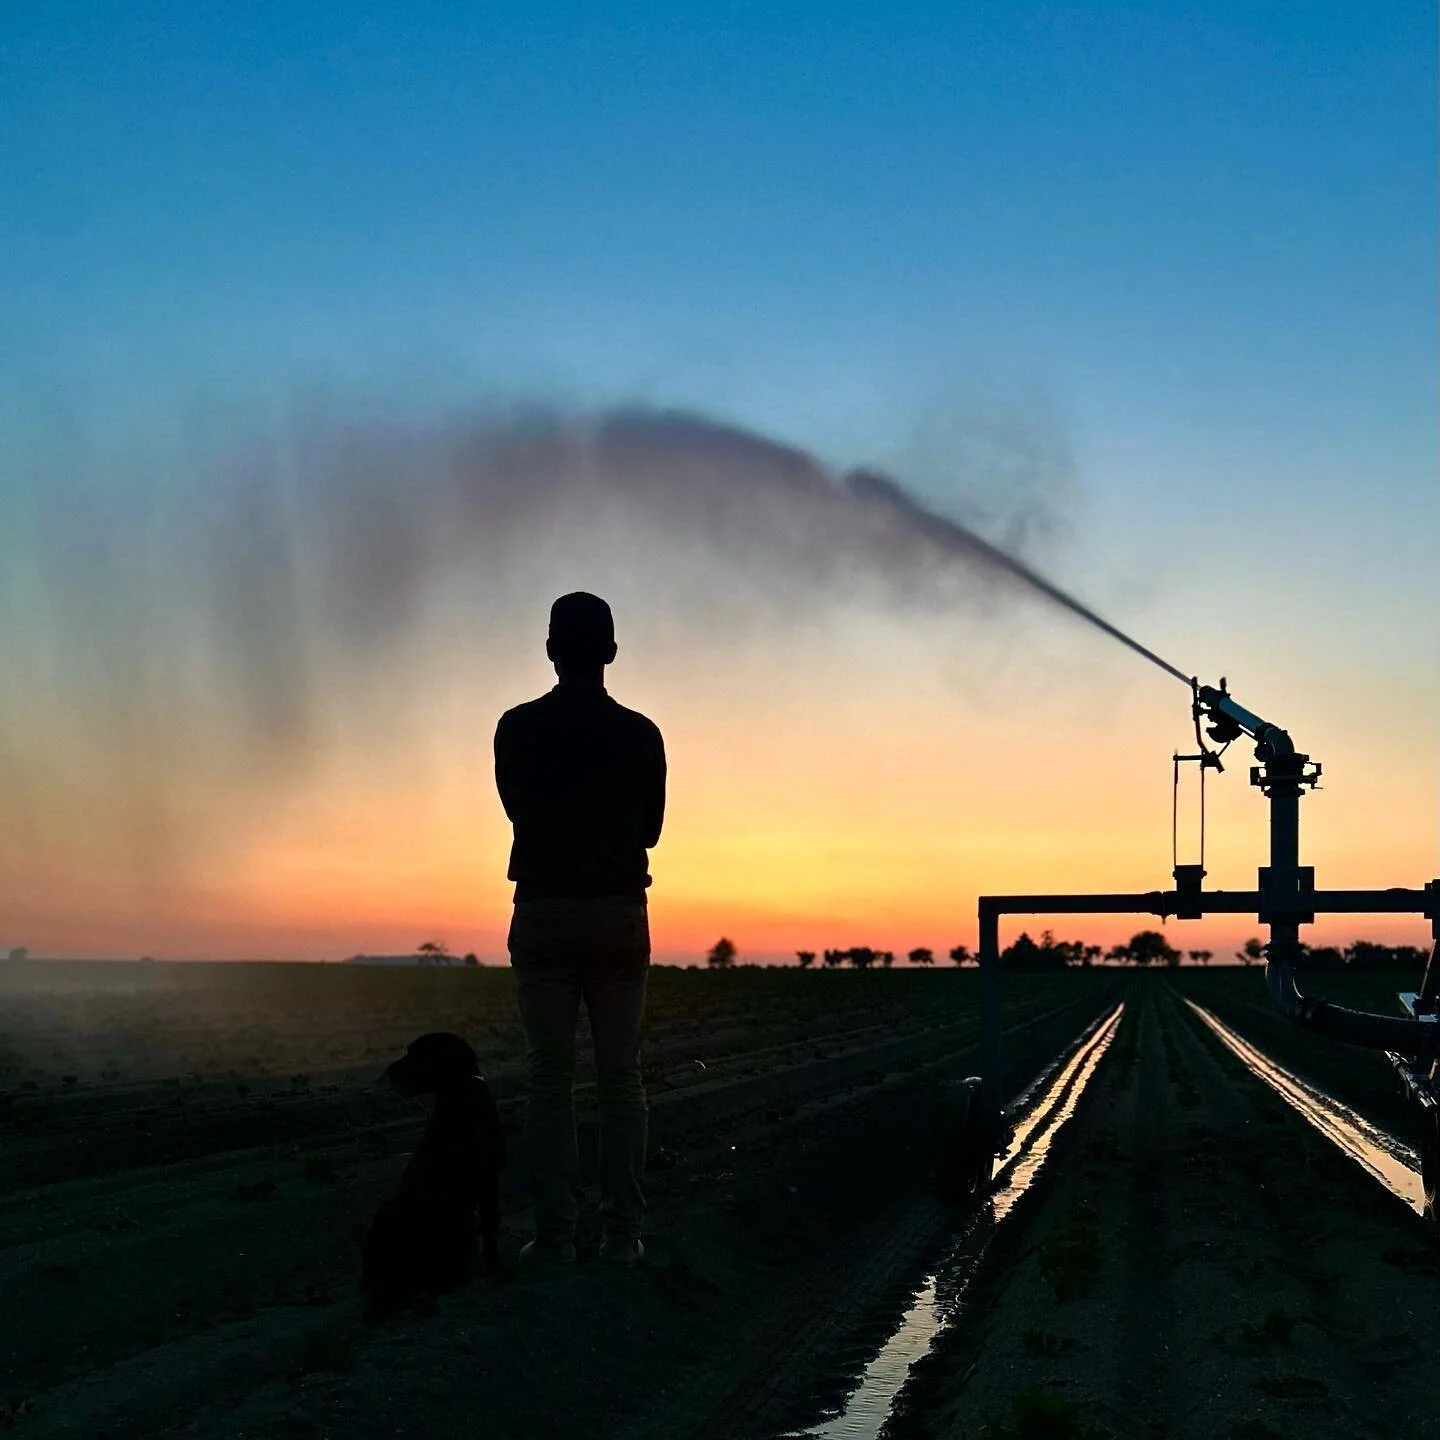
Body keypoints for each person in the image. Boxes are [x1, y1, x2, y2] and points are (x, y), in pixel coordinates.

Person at [494, 592, 666, 1267]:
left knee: (548, 1078)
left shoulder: (516, 727)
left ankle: (557, 1237)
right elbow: (651, 829)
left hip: (543, 910)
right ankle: (624, 1236)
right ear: (612, 653)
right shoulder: (641, 733)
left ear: (550, 650)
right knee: (620, 1077)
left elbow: (517, 811)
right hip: (618, 912)